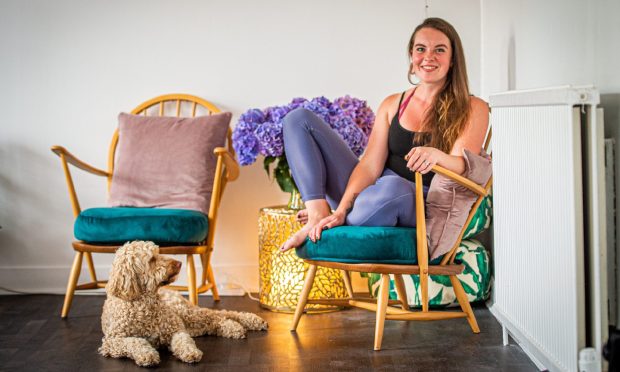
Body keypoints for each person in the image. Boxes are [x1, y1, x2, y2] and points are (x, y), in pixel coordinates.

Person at [279, 17, 489, 252]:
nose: (428, 56)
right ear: (412, 56)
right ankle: (319, 212)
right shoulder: (392, 103)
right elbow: (369, 166)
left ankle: (346, 212)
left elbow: (464, 166)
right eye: (421, 49)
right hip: (369, 195)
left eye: (439, 50)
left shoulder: (473, 107)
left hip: (414, 199)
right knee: (298, 119)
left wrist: (436, 156)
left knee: (393, 187)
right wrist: (342, 208)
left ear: (452, 60)